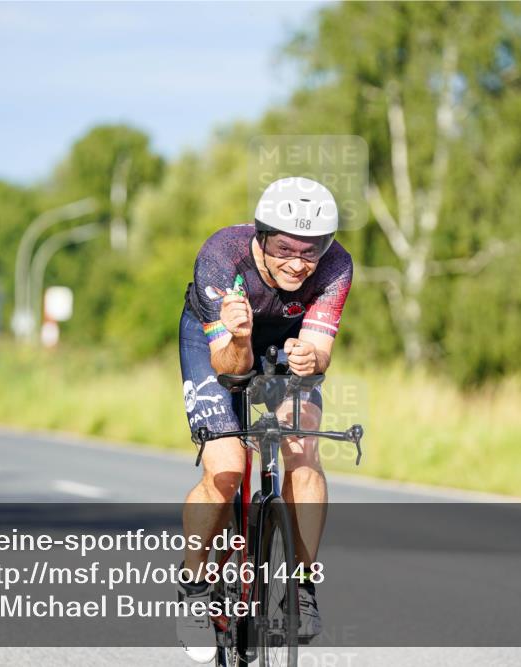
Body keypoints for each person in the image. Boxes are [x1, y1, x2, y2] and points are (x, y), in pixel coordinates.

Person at [175, 176, 353, 662]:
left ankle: (301, 588)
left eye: (311, 251)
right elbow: (230, 368)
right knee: (227, 468)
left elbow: (321, 351)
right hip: (219, 341)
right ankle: (193, 586)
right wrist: (238, 338)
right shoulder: (222, 256)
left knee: (304, 445)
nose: (297, 262)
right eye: (283, 248)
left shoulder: (337, 266)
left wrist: (308, 360)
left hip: (286, 338)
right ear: (260, 235)